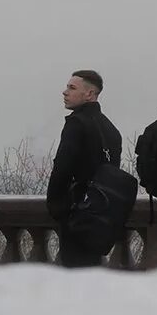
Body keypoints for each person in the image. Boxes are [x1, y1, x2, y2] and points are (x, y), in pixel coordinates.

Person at [46, 70, 122, 268]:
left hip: (77, 214)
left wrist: (56, 206)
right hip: (101, 216)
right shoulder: (111, 129)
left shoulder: (76, 124)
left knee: (74, 278)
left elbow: (62, 168)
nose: (65, 92)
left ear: (90, 94)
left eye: (72, 88)